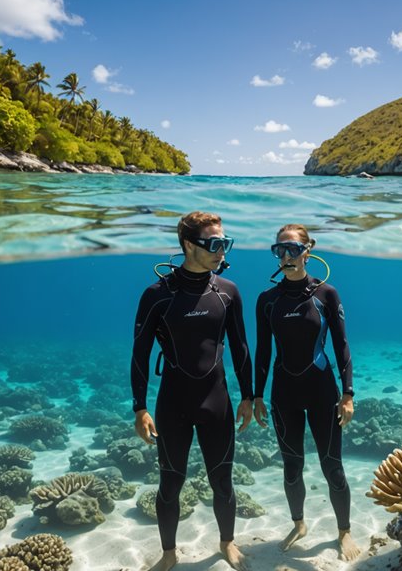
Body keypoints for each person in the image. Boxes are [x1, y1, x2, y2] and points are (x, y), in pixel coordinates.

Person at [130, 211, 254, 571]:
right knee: (170, 484)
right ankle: (169, 553)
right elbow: (140, 353)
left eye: (225, 243)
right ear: (188, 244)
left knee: (223, 481)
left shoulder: (228, 292)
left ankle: (227, 543)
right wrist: (140, 407)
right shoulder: (157, 294)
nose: (222, 251)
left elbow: (241, 347)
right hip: (173, 404)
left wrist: (247, 396)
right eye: (214, 244)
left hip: (217, 402)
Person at [252, 224, 360, 562]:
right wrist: (256, 395)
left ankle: (344, 531)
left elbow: (342, 345)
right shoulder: (267, 300)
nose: (287, 256)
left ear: (308, 250)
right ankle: (299, 524)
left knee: (333, 467)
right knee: (291, 466)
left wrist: (348, 394)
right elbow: (262, 351)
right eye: (279, 250)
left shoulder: (326, 294)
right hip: (284, 394)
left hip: (322, 390)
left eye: (294, 249)